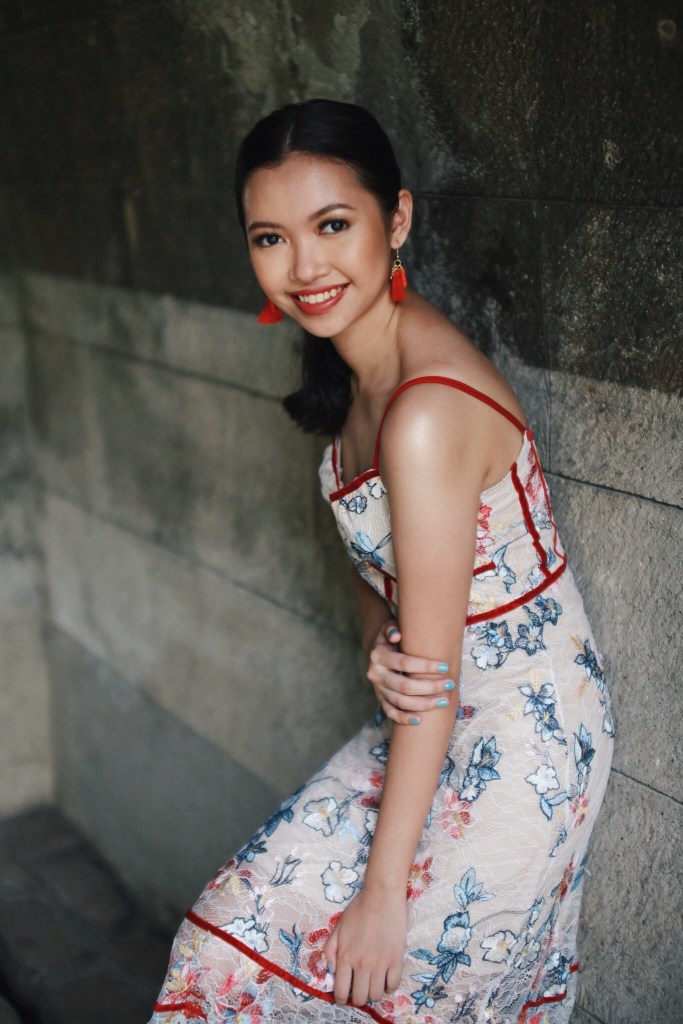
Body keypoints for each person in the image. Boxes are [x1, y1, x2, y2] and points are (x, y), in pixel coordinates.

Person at [148, 98, 614, 1024]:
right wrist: (377, 644)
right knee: (221, 942)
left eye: (332, 225)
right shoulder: (358, 383)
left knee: (387, 994)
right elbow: (388, 602)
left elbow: (433, 678)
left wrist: (381, 895)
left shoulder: (424, 414)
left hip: (520, 739)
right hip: (425, 716)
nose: (304, 267)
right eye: (271, 238)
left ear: (395, 219)